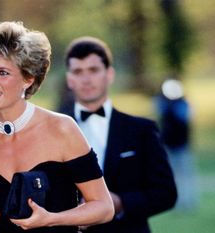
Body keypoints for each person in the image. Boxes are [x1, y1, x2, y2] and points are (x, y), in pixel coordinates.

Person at [0, 21, 114, 233]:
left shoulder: (62, 129)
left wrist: (51, 219)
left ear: (28, 79)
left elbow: (104, 207)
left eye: (3, 73)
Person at [60, 36, 177, 233]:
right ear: (69, 79)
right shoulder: (54, 130)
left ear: (110, 74)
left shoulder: (142, 130)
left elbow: (166, 193)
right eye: (78, 71)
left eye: (94, 70)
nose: (86, 79)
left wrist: (121, 202)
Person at [155, 78, 198, 210]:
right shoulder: (163, 103)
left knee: (186, 174)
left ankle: (189, 201)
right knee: (171, 175)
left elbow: (183, 117)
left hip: (182, 145)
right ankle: (175, 201)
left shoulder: (183, 104)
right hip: (168, 144)